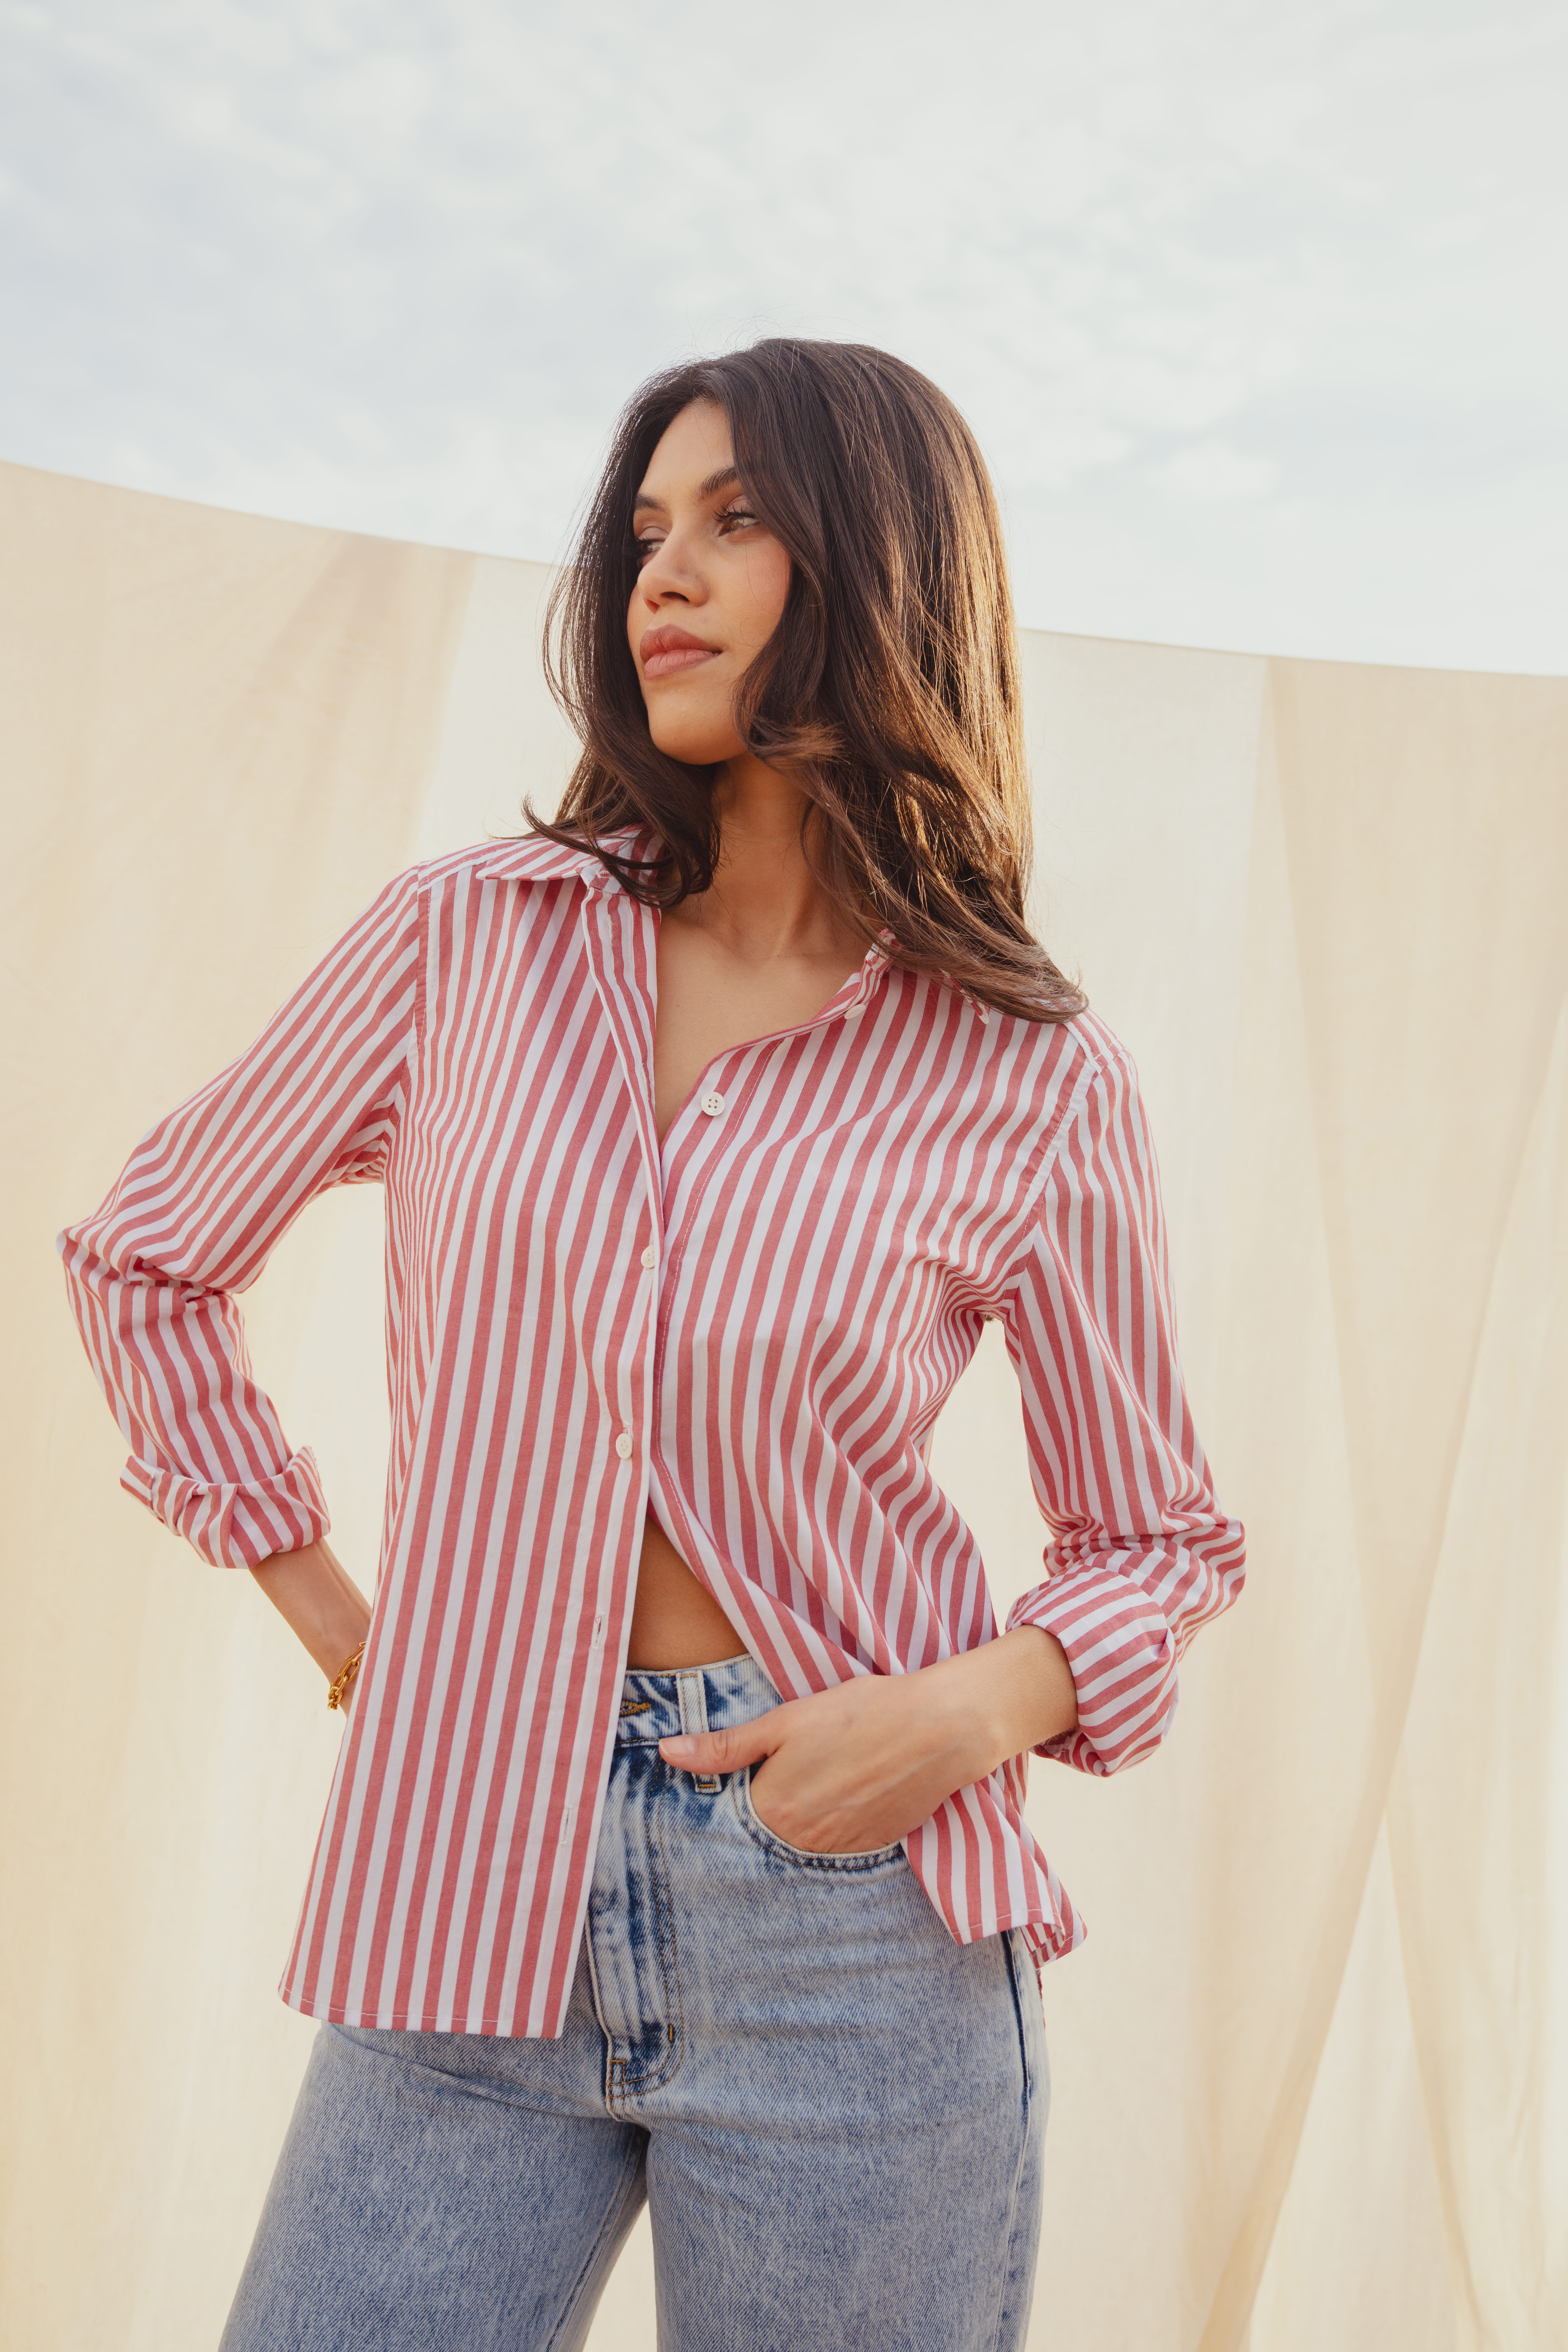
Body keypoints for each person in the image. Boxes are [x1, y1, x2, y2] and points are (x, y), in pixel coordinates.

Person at [59, 338, 1245, 2352]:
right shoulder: (467, 941)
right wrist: (352, 1628)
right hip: (460, 1886)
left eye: (735, 520)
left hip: (851, 1927)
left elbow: (1162, 1544)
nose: (660, 580)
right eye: (640, 535)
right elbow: (146, 1258)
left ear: (883, 569)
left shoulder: (1031, 1072)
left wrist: (953, 1719)